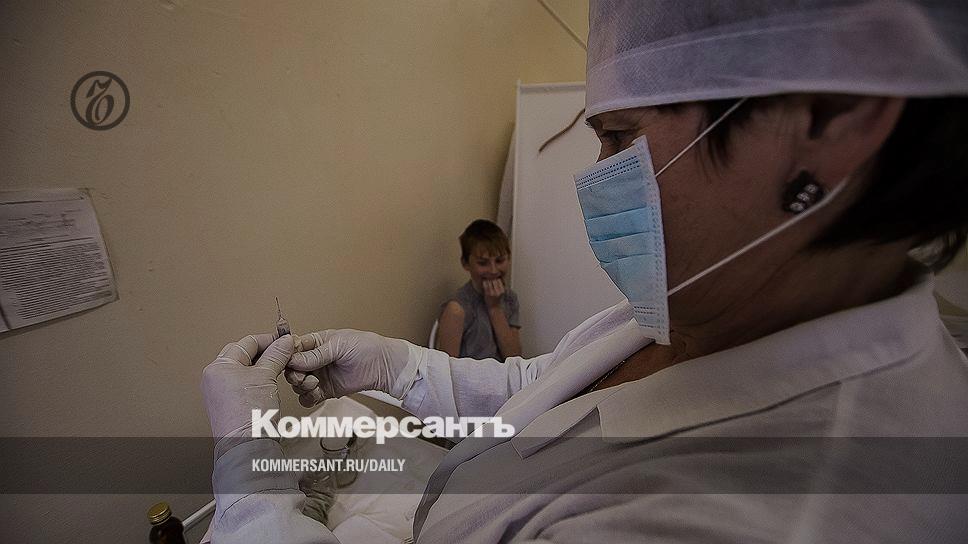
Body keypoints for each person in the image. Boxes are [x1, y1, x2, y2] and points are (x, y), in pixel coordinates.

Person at [201, 1, 968, 542]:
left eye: (622, 137)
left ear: (831, 113)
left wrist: (249, 474)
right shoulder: (706, 300)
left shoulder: (766, 517)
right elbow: (546, 391)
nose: (598, 180)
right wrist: (397, 366)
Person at [436, 219, 522, 360]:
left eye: (500, 261)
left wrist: (494, 308)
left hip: (504, 373)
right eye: (483, 263)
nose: (493, 270)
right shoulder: (456, 310)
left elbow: (515, 357)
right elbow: (445, 368)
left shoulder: (510, 299)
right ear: (466, 264)